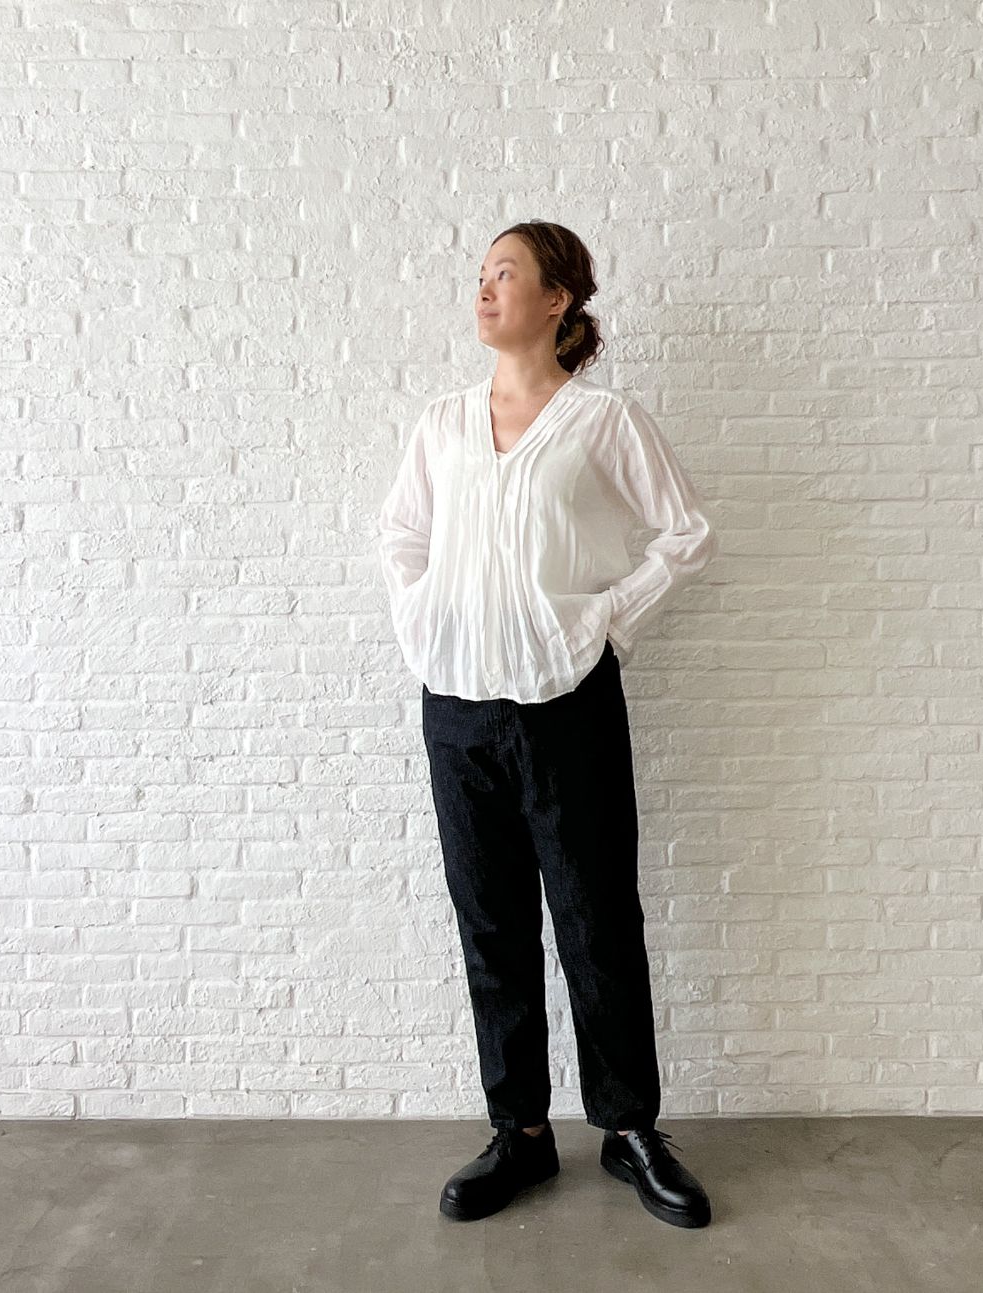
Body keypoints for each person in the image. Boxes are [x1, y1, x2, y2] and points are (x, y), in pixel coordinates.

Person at [376, 220, 716, 1229]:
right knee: (490, 925)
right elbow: (400, 534)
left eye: (505, 273)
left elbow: (687, 534)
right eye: (479, 275)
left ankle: (628, 1128)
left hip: (567, 701)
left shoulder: (603, 421)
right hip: (456, 706)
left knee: (595, 918)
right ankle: (518, 1130)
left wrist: (604, 617)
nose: (483, 289)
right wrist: (424, 622)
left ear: (557, 297)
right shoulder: (443, 422)